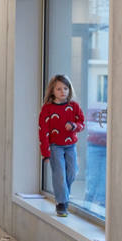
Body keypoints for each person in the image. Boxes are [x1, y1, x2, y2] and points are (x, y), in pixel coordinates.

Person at [38, 74, 85, 218]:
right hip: (55, 146)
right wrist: (45, 153)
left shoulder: (74, 107)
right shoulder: (47, 109)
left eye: (65, 88)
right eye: (59, 89)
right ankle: (62, 203)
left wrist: (74, 126)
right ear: (52, 91)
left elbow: (82, 124)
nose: (63, 91)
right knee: (59, 174)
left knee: (72, 172)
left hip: (70, 145)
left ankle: (63, 195)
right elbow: (43, 131)